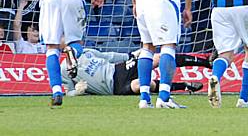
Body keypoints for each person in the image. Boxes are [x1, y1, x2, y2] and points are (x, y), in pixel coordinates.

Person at [61, 48, 210, 97]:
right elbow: (68, 92)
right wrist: (77, 92)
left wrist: (131, 55)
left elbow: (109, 56)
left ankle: (206, 62)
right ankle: (184, 86)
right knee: (141, 85)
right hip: (114, 88)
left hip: (118, 70)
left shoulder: (85, 52)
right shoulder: (64, 69)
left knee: (157, 58)